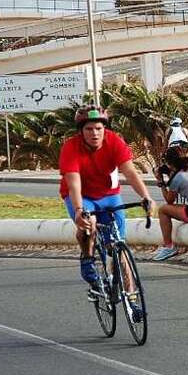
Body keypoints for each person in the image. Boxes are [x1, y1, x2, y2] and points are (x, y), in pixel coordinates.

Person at [59, 105, 156, 319]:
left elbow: (130, 171)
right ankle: (87, 257)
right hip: (82, 196)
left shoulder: (114, 141)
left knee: (120, 247)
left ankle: (132, 302)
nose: (94, 133)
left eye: (99, 129)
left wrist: (146, 197)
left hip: (109, 195)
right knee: (89, 223)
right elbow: (74, 183)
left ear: (105, 129)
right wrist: (79, 210)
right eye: (89, 129)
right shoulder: (71, 147)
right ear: (80, 131)